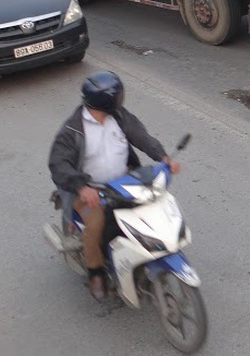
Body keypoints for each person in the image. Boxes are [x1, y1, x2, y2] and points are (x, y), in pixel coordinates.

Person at [48, 71, 180, 301]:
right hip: (90, 190)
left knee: (150, 205)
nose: (121, 98)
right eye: (118, 95)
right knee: (97, 222)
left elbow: (140, 135)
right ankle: (96, 272)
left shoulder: (117, 116)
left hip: (125, 183)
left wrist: (162, 157)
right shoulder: (72, 130)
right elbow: (58, 164)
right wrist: (82, 188)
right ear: (106, 99)